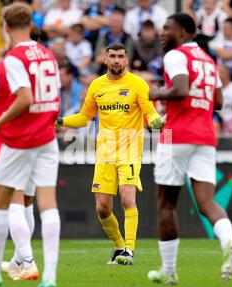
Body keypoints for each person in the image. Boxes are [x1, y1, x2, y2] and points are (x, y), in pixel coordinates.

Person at [0, 2, 61, 287]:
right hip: (46, 138)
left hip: (18, 140)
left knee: (0, 203)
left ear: (5, 28)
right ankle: (49, 274)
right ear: (31, 25)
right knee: (47, 204)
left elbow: (24, 98)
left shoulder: (12, 60)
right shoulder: (48, 55)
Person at [147, 13, 232, 285]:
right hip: (205, 135)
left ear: (184, 33)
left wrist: (155, 94)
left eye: (168, 29)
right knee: (207, 202)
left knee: (166, 204)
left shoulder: (176, 56)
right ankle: (228, 241)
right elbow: (219, 102)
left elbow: (180, 89)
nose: (163, 33)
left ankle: (169, 271)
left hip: (177, 135)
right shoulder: (209, 61)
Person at [56, 42, 164, 266]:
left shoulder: (137, 84)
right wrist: (59, 121)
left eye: (120, 56)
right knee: (103, 208)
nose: (116, 60)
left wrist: (156, 123)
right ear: (105, 59)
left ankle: (130, 250)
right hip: (104, 152)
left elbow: (150, 112)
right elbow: (84, 118)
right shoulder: (96, 86)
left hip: (130, 150)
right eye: (112, 56)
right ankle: (118, 246)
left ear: (126, 60)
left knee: (127, 198)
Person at [93, 8, 133, 75]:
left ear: (122, 23)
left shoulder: (128, 38)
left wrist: (106, 54)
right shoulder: (103, 37)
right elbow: (98, 58)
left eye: (117, 22)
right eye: (113, 22)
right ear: (109, 23)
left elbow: (127, 60)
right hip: (102, 71)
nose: (115, 24)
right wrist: (119, 57)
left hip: (122, 70)